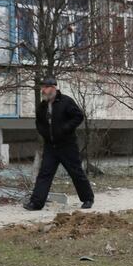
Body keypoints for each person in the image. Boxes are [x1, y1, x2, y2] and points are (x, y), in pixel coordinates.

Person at [24, 77, 95, 211]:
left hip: (67, 145)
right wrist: (44, 133)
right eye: (42, 87)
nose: (43, 90)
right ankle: (36, 203)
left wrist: (65, 129)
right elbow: (39, 123)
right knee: (45, 173)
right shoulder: (42, 106)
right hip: (51, 146)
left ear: (54, 88)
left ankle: (87, 199)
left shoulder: (66, 102)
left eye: (46, 87)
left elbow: (78, 116)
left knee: (76, 172)